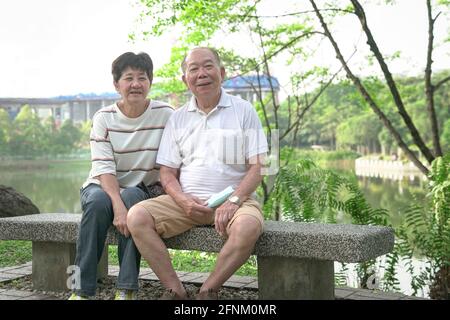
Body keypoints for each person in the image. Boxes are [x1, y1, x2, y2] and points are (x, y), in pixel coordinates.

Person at [127, 47, 268, 300]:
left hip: (235, 203)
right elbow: (167, 173)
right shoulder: (177, 118)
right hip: (185, 203)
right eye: (193, 69)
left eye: (208, 66)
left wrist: (234, 201)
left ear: (221, 73)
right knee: (136, 216)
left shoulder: (244, 110)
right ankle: (174, 289)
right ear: (185, 79)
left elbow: (259, 167)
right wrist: (182, 200)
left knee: (248, 226)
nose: (201, 74)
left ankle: (208, 289)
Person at [69, 52, 173, 300]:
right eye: (128, 78)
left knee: (134, 199)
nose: (136, 84)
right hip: (101, 185)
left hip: (141, 188)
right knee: (96, 204)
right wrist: (118, 207)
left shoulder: (166, 114)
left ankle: (126, 289)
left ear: (150, 82)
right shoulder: (103, 118)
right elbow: (104, 169)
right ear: (117, 84)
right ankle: (79, 290)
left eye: (142, 78)